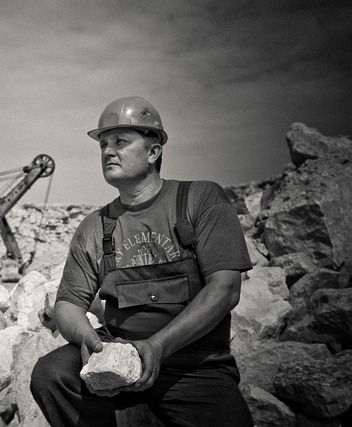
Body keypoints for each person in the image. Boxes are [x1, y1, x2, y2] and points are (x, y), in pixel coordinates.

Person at [30, 97, 254, 427]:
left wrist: (158, 347)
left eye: (120, 141)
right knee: (51, 375)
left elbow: (225, 289)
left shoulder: (200, 200)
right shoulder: (95, 226)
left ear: (153, 152)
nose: (108, 151)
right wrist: (90, 342)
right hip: (116, 356)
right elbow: (68, 305)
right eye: (103, 144)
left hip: (193, 367)